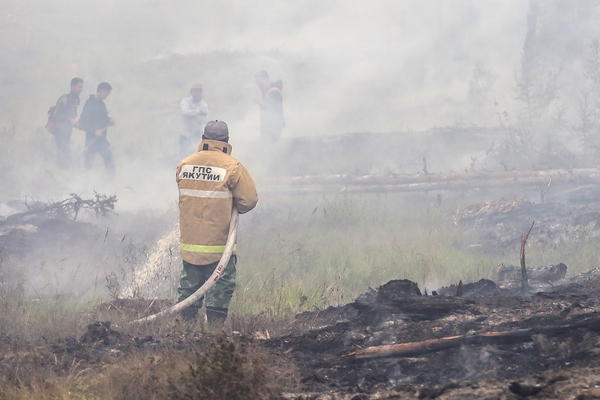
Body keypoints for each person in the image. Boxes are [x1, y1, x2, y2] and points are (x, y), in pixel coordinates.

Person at [176, 120, 258, 324]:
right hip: (220, 246)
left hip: (190, 244)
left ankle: (183, 335)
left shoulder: (185, 164)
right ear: (227, 141)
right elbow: (248, 201)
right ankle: (214, 335)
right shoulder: (232, 167)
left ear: (203, 139)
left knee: (189, 288)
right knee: (220, 289)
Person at [78, 82, 116, 175]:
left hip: (102, 140)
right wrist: (94, 131)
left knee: (110, 161)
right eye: (107, 93)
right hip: (91, 140)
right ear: (102, 91)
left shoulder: (102, 104)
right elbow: (82, 123)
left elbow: (104, 118)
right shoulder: (89, 104)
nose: (107, 95)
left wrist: (110, 121)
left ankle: (112, 182)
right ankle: (84, 184)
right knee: (88, 165)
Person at [52, 77, 83, 168]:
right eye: (79, 87)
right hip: (60, 131)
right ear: (72, 86)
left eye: (82, 87)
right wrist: (70, 119)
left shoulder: (76, 100)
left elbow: (72, 116)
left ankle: (63, 170)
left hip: (67, 131)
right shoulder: (65, 98)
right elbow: (57, 114)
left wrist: (76, 124)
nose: (81, 90)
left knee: (65, 152)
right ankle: (62, 171)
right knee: (64, 152)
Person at [255, 70, 285, 142]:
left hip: (273, 127)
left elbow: (274, 108)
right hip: (268, 126)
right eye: (256, 82)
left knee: (269, 145)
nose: (258, 84)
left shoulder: (273, 91)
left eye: (259, 81)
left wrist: (260, 103)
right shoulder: (266, 92)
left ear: (266, 79)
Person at [180, 83, 209, 156]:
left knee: (196, 154)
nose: (197, 93)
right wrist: (199, 112)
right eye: (195, 91)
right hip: (185, 133)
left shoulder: (204, 105)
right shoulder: (185, 101)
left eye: (199, 91)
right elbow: (185, 112)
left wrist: (193, 113)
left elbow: (205, 119)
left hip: (197, 134)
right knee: (183, 155)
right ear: (191, 92)